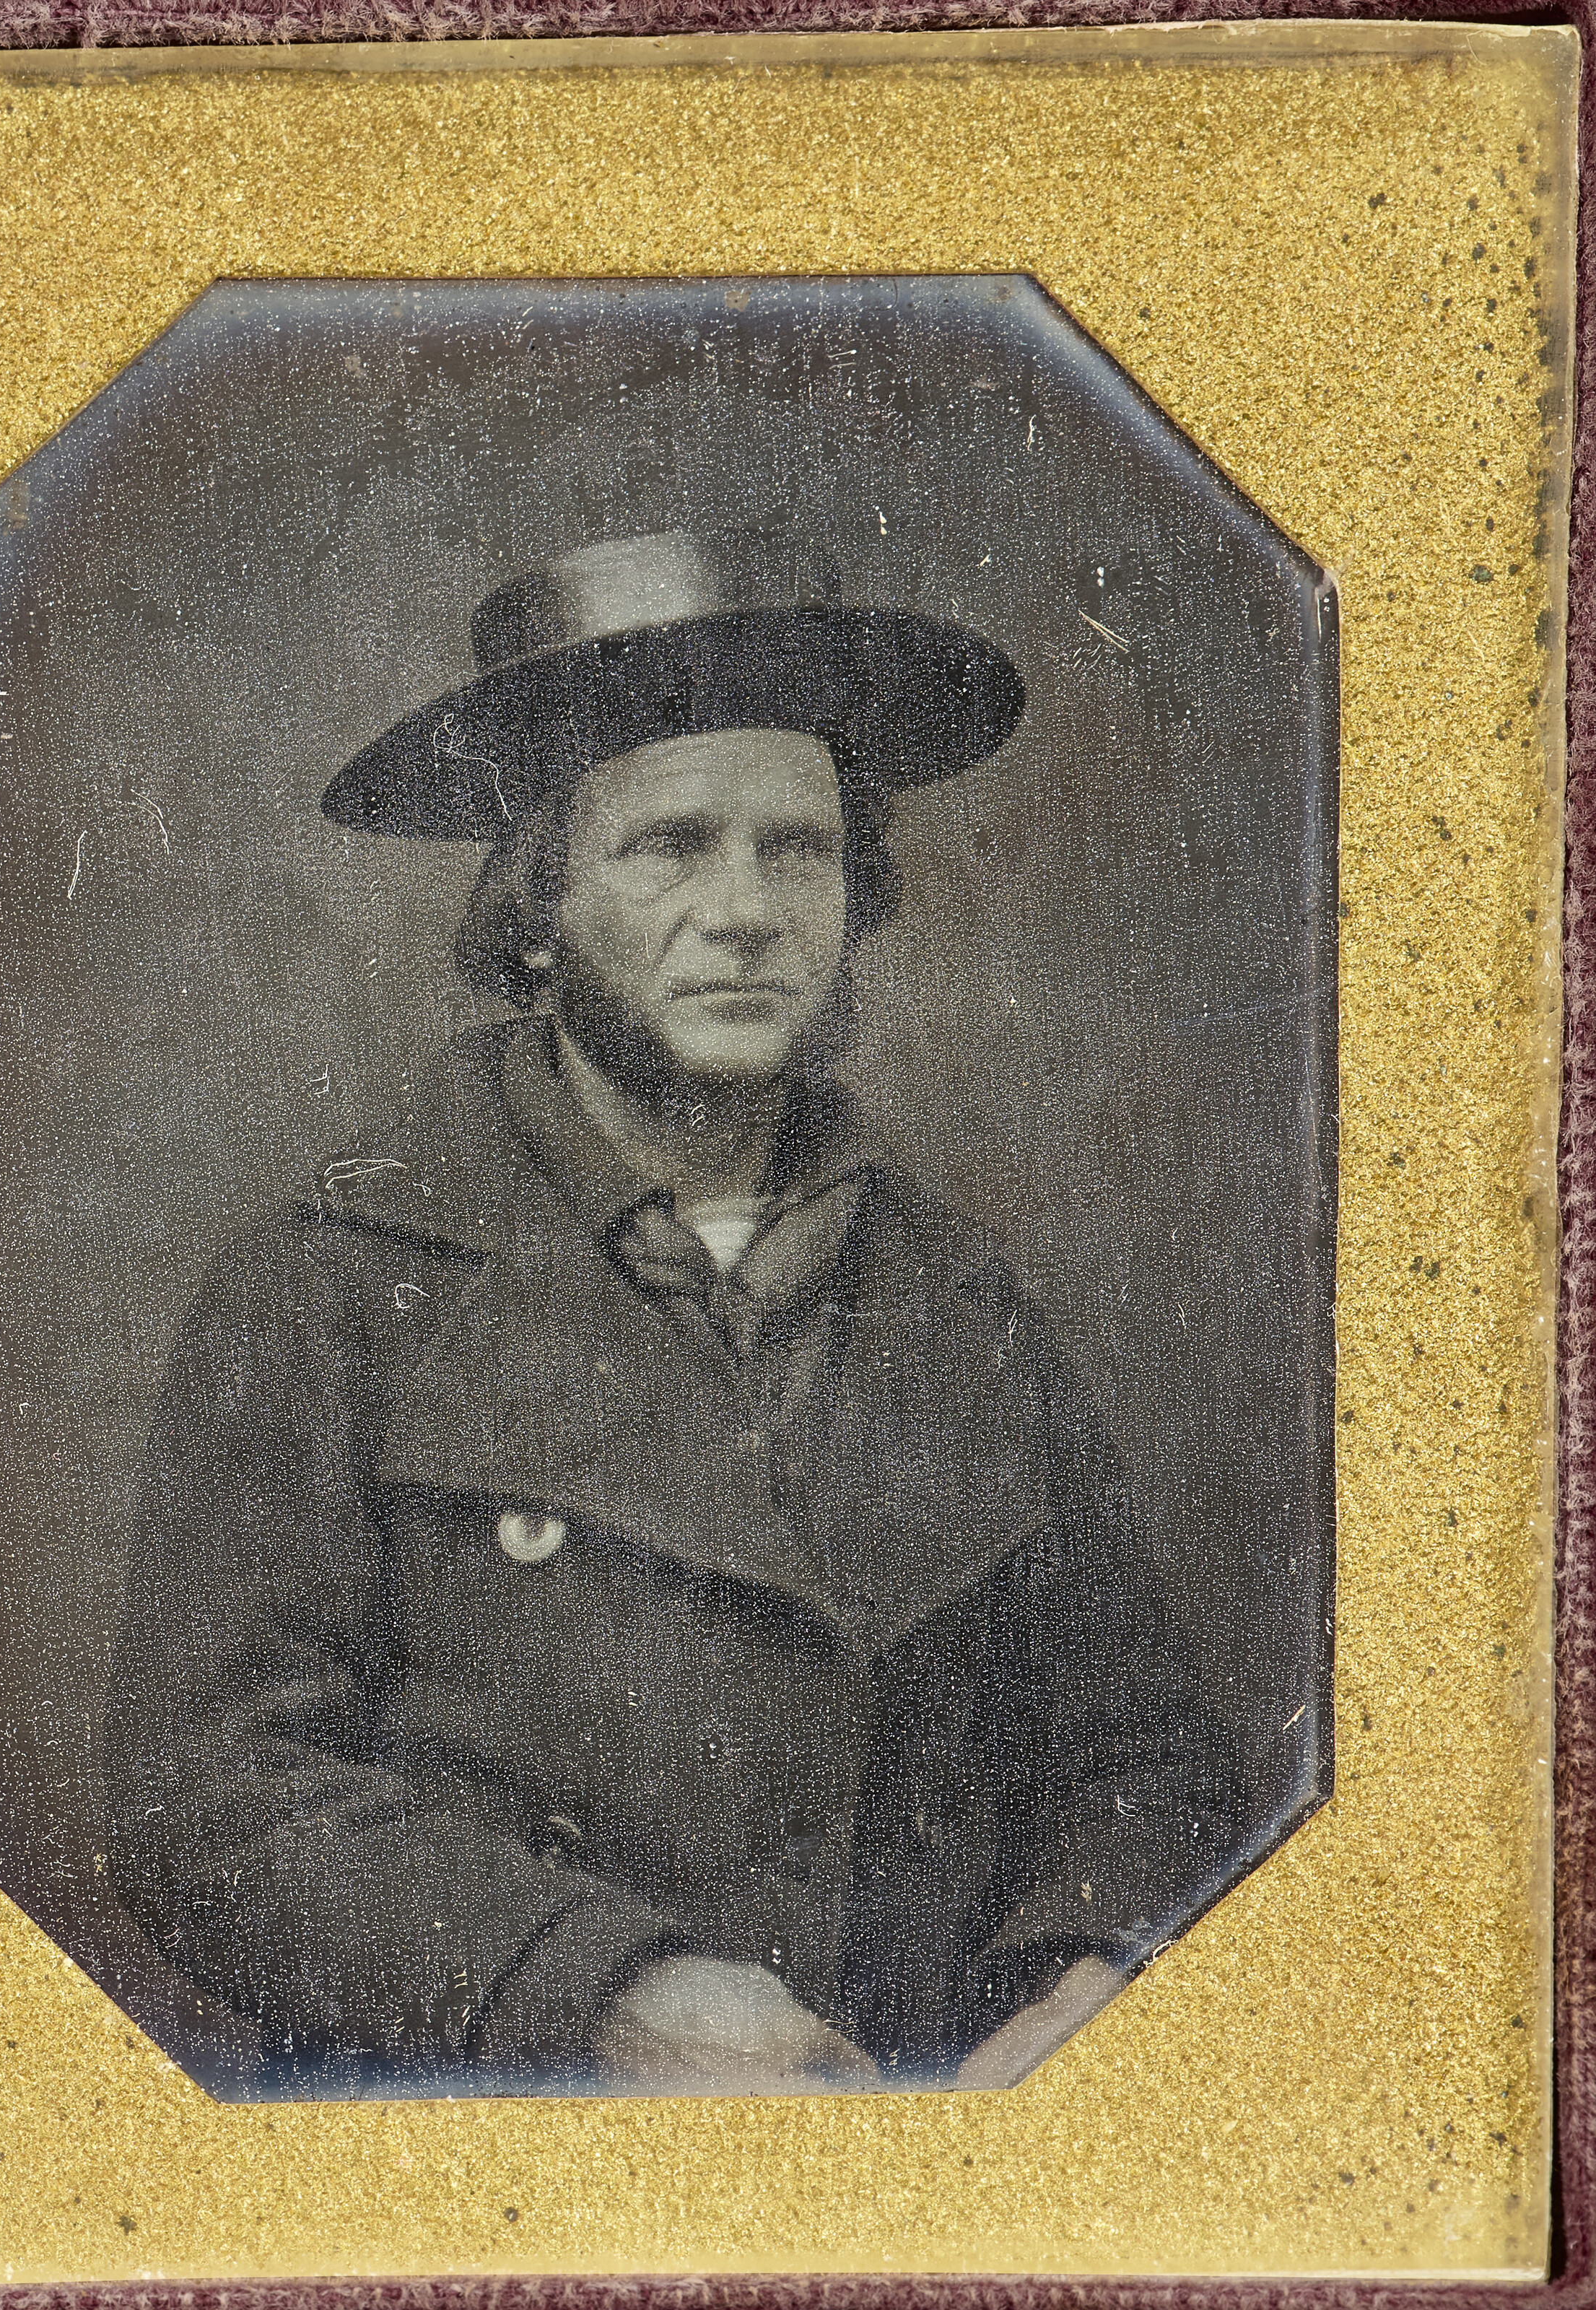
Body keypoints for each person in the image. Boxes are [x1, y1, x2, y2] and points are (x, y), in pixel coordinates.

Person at [103, 528, 1239, 2097]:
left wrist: (1093, 1972)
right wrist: (594, 1991)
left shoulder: (957, 1296)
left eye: (799, 849)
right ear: (538, 904)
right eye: (669, 846)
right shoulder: (324, 1286)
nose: (746, 909)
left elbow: (1145, 1753)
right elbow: (213, 1804)